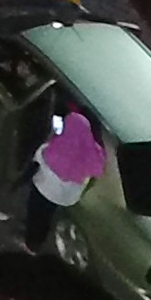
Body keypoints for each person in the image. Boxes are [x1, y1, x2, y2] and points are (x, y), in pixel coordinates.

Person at [29, 105, 106, 247]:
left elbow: (39, 157)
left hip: (44, 189)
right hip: (66, 197)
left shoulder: (55, 151)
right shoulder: (95, 153)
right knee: (48, 215)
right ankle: (38, 238)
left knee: (36, 213)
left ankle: (31, 244)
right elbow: (96, 172)